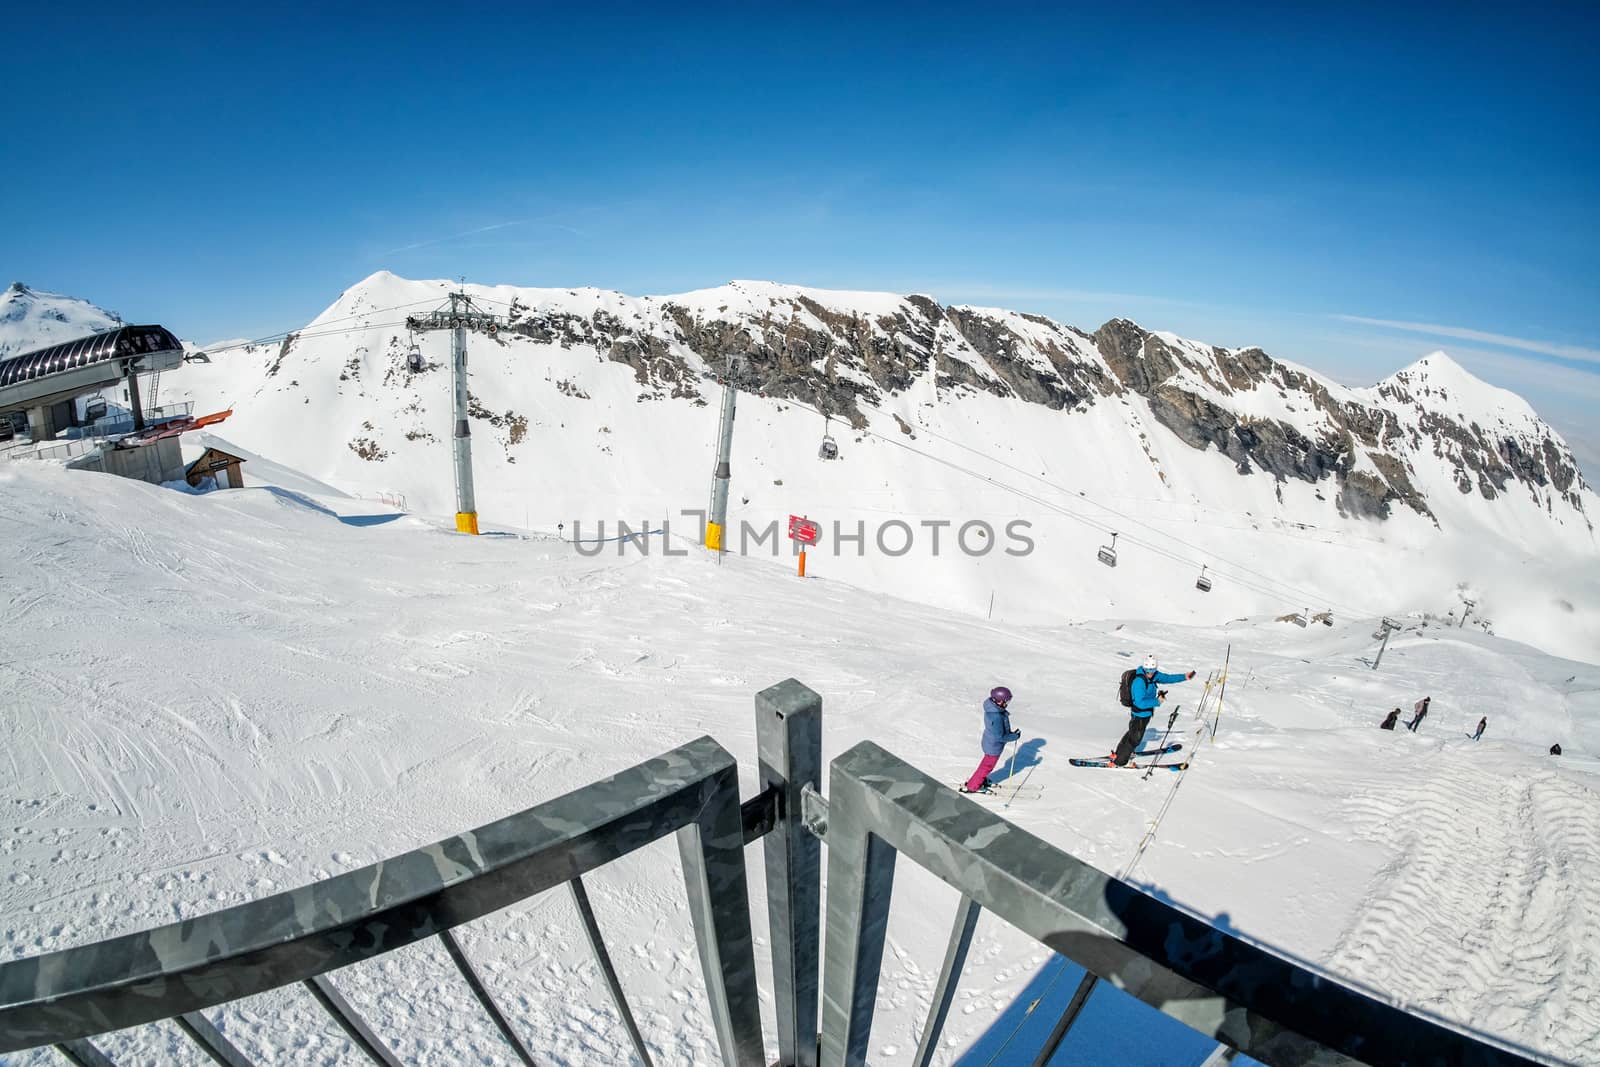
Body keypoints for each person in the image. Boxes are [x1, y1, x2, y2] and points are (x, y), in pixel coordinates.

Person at [1111, 655, 1195, 767]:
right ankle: (1120, 761)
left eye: (1153, 670)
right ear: (1144, 668)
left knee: (1132, 733)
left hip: (1146, 713)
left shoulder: (1154, 676)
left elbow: (1168, 678)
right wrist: (1157, 701)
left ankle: (1119, 753)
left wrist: (1185, 676)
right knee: (1135, 739)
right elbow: (1139, 703)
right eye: (1148, 670)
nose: (1150, 672)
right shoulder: (1139, 682)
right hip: (1139, 714)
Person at [961, 686, 1021, 793]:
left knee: (986, 765)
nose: (1006, 704)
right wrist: (1014, 737)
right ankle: (973, 786)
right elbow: (999, 736)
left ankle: (979, 780)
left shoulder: (994, 711)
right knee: (986, 767)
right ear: (997, 701)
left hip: (991, 743)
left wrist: (1011, 734)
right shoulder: (996, 716)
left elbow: (999, 731)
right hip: (993, 746)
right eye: (1005, 701)